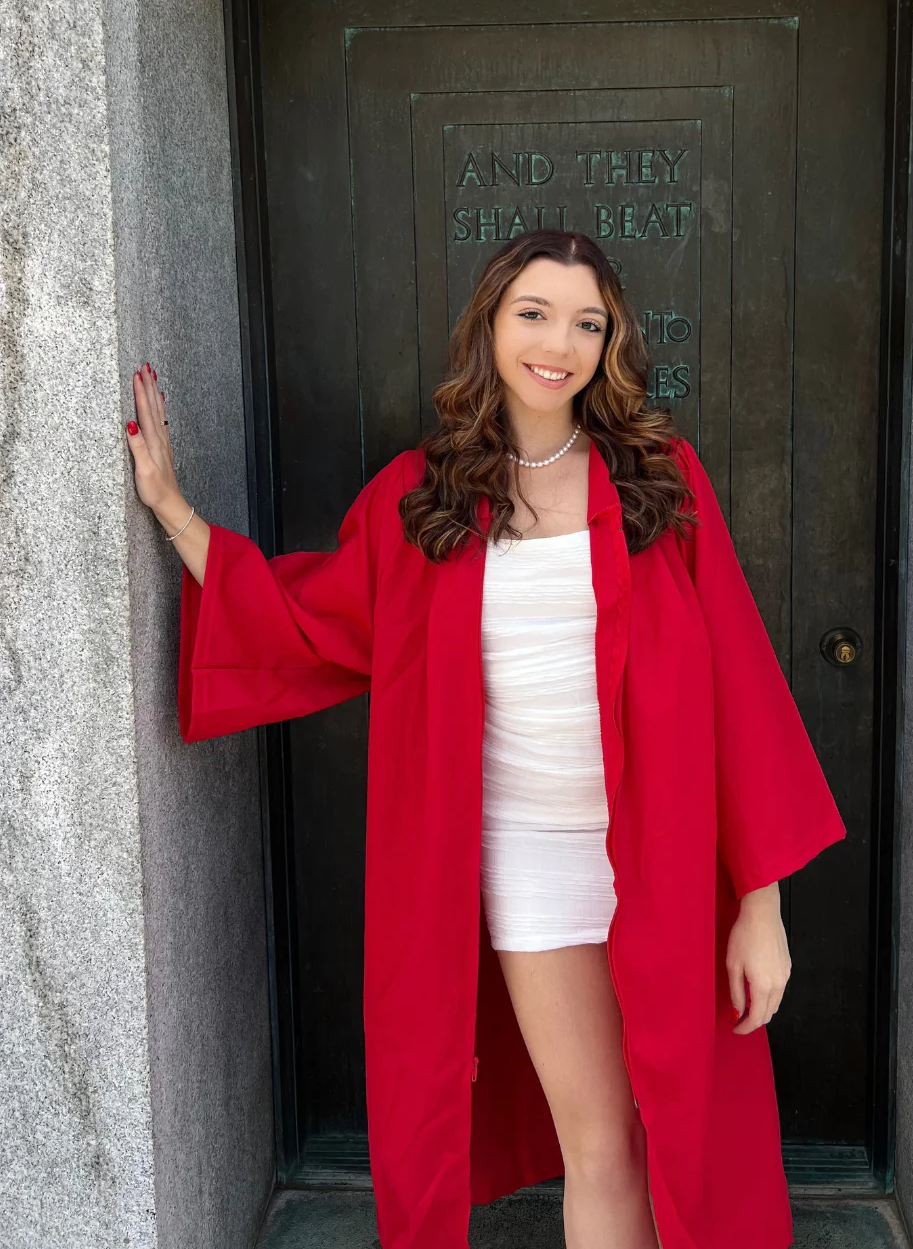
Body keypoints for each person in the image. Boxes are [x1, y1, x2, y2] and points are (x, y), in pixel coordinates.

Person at [125, 229, 847, 1249]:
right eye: (534, 314)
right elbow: (305, 618)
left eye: (587, 323)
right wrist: (171, 509)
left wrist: (761, 908)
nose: (560, 344)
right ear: (491, 325)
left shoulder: (659, 482)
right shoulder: (423, 499)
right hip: (530, 861)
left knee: (684, 1141)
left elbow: (740, 685)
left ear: (610, 343)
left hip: (666, 859)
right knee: (603, 1145)